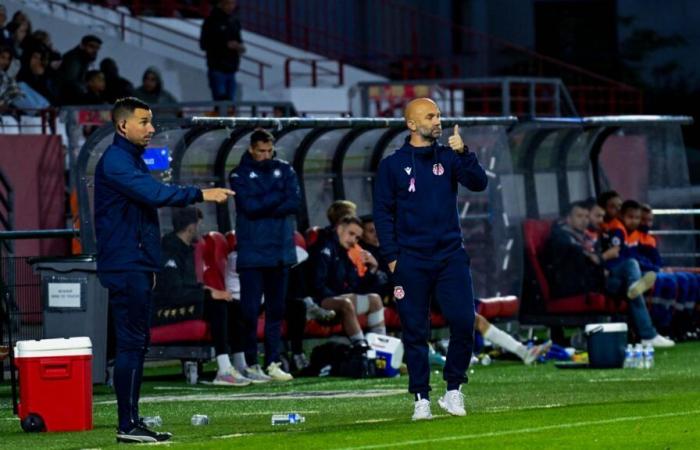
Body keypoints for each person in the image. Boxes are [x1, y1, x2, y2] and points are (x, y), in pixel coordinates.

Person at [94, 97, 234, 443]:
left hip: (135, 263)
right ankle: (127, 425)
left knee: (136, 343)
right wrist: (200, 193)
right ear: (123, 125)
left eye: (151, 121)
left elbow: (142, 214)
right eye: (144, 122)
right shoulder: (116, 161)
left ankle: (131, 421)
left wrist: (149, 263)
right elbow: (155, 195)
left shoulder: (129, 159)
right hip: (126, 264)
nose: (151, 128)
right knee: (131, 344)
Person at [373, 97, 487, 420]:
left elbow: (479, 183)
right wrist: (393, 258)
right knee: (414, 329)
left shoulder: (450, 157)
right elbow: (382, 214)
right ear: (411, 124)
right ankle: (421, 397)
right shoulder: (392, 166)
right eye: (430, 116)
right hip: (411, 260)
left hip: (450, 256)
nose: (437, 120)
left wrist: (464, 152)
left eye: (438, 114)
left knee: (464, 321)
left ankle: (454, 391)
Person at [229, 128, 299, 382]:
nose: (266, 155)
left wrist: (266, 200)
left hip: (280, 251)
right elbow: (249, 207)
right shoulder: (238, 174)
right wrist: (278, 195)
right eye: (261, 151)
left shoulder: (286, 169)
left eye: (269, 150)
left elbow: (294, 202)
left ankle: (272, 361)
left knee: (276, 310)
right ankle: (250, 362)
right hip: (252, 253)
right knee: (248, 311)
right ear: (251, 149)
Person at [153, 207, 251, 387]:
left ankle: (240, 364)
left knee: (233, 305)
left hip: (185, 300)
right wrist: (208, 293)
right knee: (216, 304)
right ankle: (223, 370)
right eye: (199, 224)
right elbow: (172, 291)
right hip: (163, 309)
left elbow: (188, 285)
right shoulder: (168, 249)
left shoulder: (186, 249)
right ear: (190, 227)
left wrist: (207, 288)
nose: (201, 228)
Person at [580, 200, 675, 347]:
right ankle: (648, 335)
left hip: (614, 279)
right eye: (596, 216)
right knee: (631, 266)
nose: (600, 220)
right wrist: (602, 259)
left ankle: (649, 333)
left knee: (635, 285)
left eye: (601, 216)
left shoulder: (603, 233)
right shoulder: (604, 233)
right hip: (600, 281)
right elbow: (592, 259)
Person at [312, 215, 386, 343]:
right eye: (351, 233)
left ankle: (380, 348)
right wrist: (342, 295)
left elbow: (356, 285)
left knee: (375, 299)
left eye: (357, 237)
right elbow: (316, 286)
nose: (353, 240)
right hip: (317, 302)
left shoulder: (344, 252)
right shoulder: (324, 246)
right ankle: (361, 349)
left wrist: (373, 268)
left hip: (337, 298)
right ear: (340, 229)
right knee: (346, 302)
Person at [200, 0, 245, 102]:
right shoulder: (211, 21)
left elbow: (239, 41)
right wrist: (225, 45)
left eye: (233, 3)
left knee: (230, 104)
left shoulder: (234, 21)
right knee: (221, 103)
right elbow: (204, 44)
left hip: (232, 69)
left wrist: (240, 47)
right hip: (217, 68)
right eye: (228, 3)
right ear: (220, 4)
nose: (231, 6)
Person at [55, 34, 101, 105]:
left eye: (97, 48)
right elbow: (70, 83)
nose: (95, 50)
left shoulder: (84, 59)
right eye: (91, 46)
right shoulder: (74, 58)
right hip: (65, 99)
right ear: (82, 46)